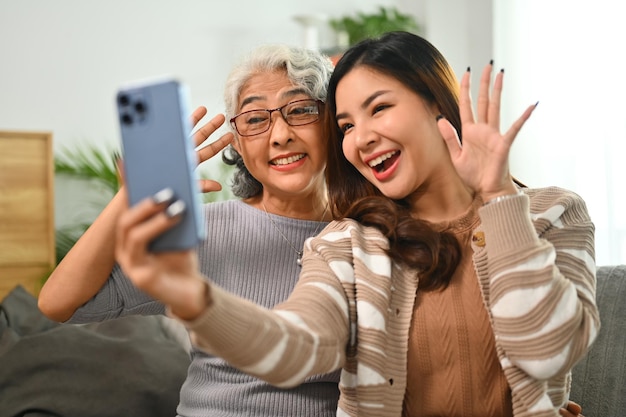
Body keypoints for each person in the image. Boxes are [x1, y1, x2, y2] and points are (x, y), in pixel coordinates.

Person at [114, 32, 598, 417]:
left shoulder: (552, 214)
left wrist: (497, 199)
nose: (361, 138)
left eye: (379, 108)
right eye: (345, 126)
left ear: (436, 103)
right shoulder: (349, 243)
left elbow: (547, 353)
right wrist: (196, 299)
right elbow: (296, 348)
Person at [37, 44, 340, 416]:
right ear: (238, 145)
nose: (280, 135)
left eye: (301, 110)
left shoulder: (368, 238)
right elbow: (58, 304)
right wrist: (129, 197)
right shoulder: (201, 234)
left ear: (333, 124)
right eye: (255, 119)